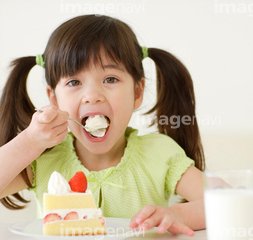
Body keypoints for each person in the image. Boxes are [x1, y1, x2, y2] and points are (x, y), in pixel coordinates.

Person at [0, 15, 205, 236]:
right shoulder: (44, 159)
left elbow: (226, 199)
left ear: (137, 92)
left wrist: (178, 215)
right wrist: (29, 142)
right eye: (74, 82)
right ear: (54, 99)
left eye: (110, 79)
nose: (92, 96)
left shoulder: (158, 155)